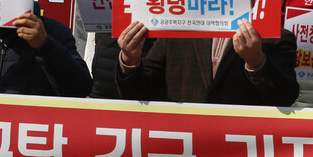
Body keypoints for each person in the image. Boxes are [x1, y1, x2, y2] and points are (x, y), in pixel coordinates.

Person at [115, 19, 299, 106]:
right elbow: (140, 94)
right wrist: (129, 60)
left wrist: (256, 61)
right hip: (182, 147)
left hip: (242, 151)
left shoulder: (275, 37)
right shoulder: (177, 31)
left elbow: (285, 97)